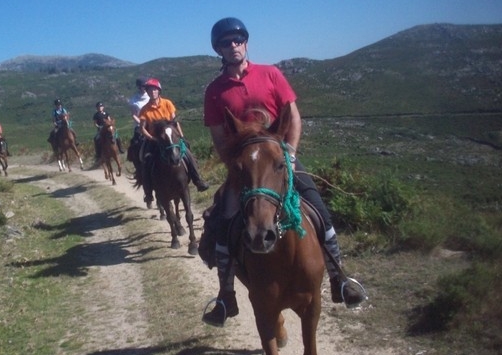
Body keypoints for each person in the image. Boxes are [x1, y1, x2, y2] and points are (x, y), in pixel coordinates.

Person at [201, 17, 366, 326]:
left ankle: (338, 278)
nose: (233, 45)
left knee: (319, 210)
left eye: (238, 40)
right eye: (226, 42)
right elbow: (219, 138)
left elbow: (293, 116)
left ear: (246, 43)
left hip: (280, 158)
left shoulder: (271, 74)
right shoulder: (215, 90)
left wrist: (289, 155)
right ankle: (226, 296)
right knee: (223, 224)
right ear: (219, 50)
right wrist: (237, 167)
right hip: (244, 167)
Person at [138, 78, 209, 208]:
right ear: (147, 92)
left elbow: (174, 122)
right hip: (155, 139)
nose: (152, 92)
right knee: (146, 160)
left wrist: (181, 136)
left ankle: (197, 180)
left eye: (154, 89)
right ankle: (148, 192)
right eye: (149, 90)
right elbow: (142, 128)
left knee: (187, 153)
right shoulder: (145, 109)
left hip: (171, 138)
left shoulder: (167, 103)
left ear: (158, 91)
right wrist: (151, 138)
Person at [126, 77, 150, 164]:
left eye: (146, 86)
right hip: (139, 124)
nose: (145, 88)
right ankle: (136, 162)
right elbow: (133, 115)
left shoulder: (151, 96)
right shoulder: (134, 100)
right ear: (139, 87)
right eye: (143, 86)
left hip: (152, 123)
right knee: (136, 142)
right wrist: (141, 123)